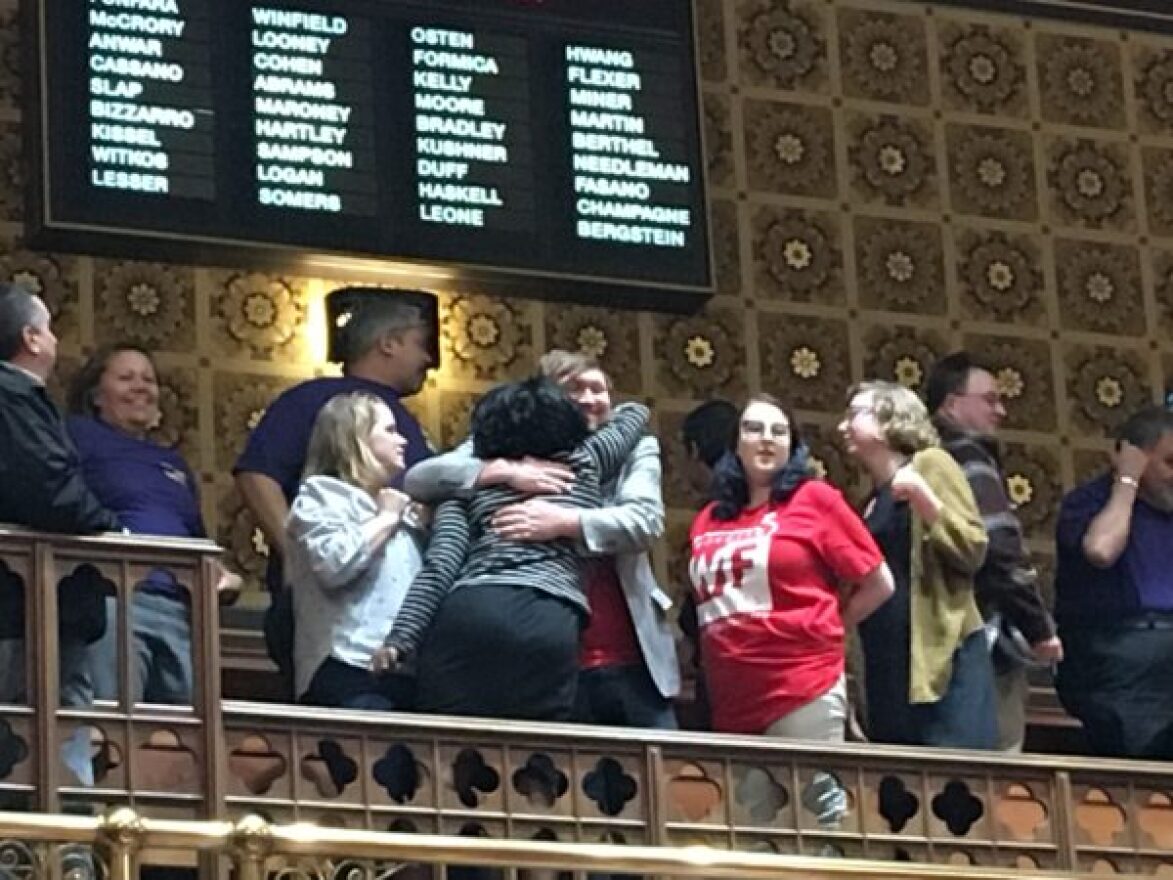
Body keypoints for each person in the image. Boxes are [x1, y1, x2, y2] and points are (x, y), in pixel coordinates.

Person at [403, 351, 679, 729]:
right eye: (574, 389)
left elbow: (644, 521)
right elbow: (421, 477)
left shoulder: (634, 446)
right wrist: (503, 470)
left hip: (626, 651)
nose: (588, 399)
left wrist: (565, 521)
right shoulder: (505, 441)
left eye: (598, 389)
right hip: (543, 641)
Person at [235, 292, 435, 692]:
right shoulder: (312, 400)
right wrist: (294, 556)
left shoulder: (408, 420)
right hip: (338, 638)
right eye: (419, 344)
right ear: (388, 343)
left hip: (397, 640)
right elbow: (257, 474)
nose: (428, 359)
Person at [688, 394, 893, 742]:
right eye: (754, 429)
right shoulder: (710, 518)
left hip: (802, 684)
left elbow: (879, 583)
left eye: (779, 432)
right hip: (733, 697)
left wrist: (832, 626)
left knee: (815, 794)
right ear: (735, 443)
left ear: (793, 447)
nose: (767, 438)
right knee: (747, 798)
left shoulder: (814, 498)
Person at [66, 344, 240, 705]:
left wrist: (225, 576)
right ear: (96, 395)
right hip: (115, 597)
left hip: (180, 606)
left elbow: (196, 538)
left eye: (148, 379)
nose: (141, 386)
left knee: (188, 733)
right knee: (114, 722)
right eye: (126, 378)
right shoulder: (76, 435)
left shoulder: (173, 463)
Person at [0, 283, 118, 784]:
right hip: (25, 609)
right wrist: (115, 530)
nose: (55, 337)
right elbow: (49, 490)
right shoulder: (13, 398)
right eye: (48, 326)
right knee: (36, 755)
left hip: (40, 606)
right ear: (31, 337)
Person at [839, 381, 996, 749]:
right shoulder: (870, 501)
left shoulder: (931, 464)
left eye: (855, 415)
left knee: (954, 783)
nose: (842, 427)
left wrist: (924, 500)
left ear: (889, 420)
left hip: (941, 656)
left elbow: (973, 549)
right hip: (888, 659)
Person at [925, 352, 1062, 752]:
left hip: (929, 647)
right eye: (989, 399)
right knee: (991, 771)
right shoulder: (968, 458)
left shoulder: (917, 460)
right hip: (978, 639)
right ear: (952, 403)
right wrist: (1039, 629)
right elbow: (1000, 551)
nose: (1000, 411)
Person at [285, 392, 426, 709]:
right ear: (356, 439)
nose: (402, 440)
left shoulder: (401, 507)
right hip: (346, 669)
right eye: (389, 431)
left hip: (404, 672)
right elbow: (333, 564)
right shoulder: (321, 497)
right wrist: (387, 518)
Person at [1054, 405, 1173, 759]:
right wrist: (1127, 484)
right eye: (1170, 463)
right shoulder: (1089, 503)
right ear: (1132, 458)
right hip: (1120, 661)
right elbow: (1102, 550)